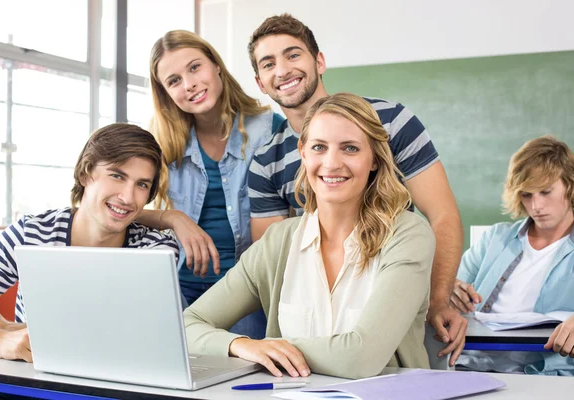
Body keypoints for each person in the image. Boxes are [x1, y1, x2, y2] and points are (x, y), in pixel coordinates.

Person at [246, 14, 466, 365]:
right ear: (260, 82)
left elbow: (442, 213)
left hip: (393, 306)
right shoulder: (265, 161)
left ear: (319, 61)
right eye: (269, 63)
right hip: (316, 325)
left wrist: (437, 294)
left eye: (293, 55)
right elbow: (275, 261)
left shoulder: (391, 121)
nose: (283, 70)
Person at [184, 93, 435, 379]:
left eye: (350, 148)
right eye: (319, 147)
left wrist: (275, 348)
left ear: (375, 159)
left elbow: (359, 359)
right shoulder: (278, 243)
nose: (331, 163)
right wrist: (240, 345)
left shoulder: (407, 235)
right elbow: (189, 324)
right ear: (303, 152)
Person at [0, 123, 179, 400]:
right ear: (85, 174)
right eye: (117, 176)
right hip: (28, 390)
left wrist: (9, 327)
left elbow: (129, 347)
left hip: (113, 394)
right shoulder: (30, 234)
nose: (128, 197)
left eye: (141, 184)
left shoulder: (155, 249)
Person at [140, 30, 283, 338]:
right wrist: (174, 218)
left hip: (243, 292)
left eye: (195, 68)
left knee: (238, 375)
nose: (189, 84)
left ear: (216, 65)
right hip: (177, 287)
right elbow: (123, 210)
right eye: (174, 81)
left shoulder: (269, 129)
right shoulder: (159, 143)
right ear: (165, 92)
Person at [451, 135, 574, 375]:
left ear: (570, 187)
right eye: (527, 195)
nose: (536, 206)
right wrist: (450, 290)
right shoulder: (495, 238)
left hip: (546, 372)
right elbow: (452, 287)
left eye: (545, 192)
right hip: (472, 364)